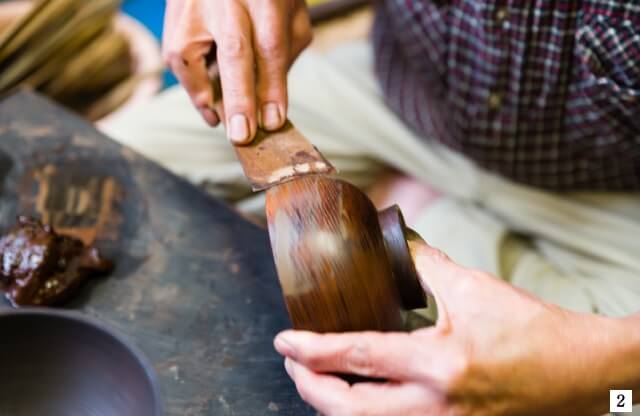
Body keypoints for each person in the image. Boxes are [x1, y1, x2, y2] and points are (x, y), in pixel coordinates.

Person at [101, 0, 640, 414]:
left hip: (614, 190)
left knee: (616, 404)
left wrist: (605, 367)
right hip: (403, 96)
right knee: (97, 172)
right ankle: (438, 216)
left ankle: (441, 220)